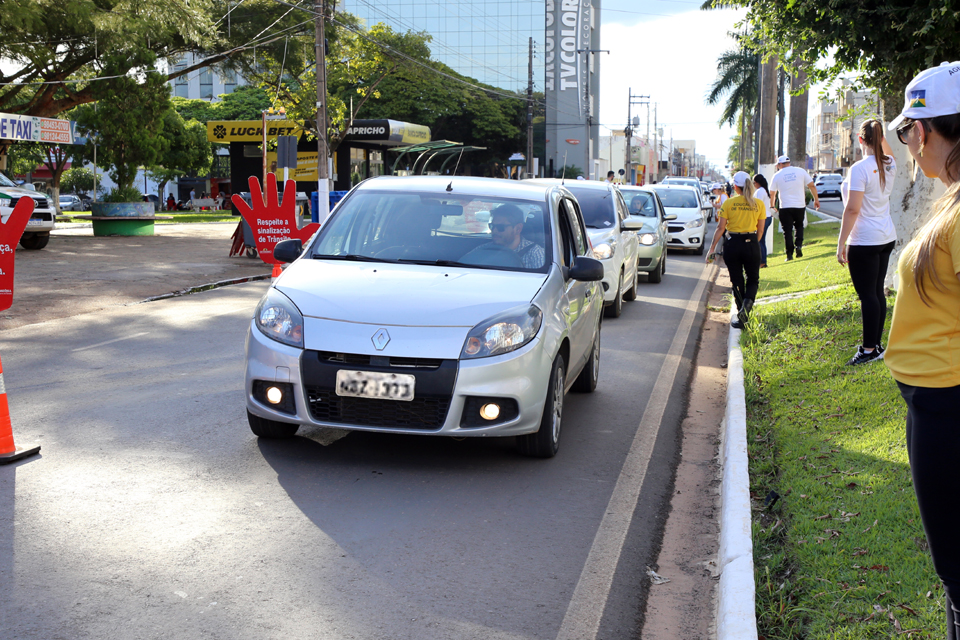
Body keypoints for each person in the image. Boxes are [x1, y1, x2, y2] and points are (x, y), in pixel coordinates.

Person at [884, 61, 960, 640]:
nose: (908, 144)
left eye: (909, 131)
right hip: (934, 406)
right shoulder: (950, 199)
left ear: (929, 131)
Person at [836, 119, 897, 366]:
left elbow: (852, 210)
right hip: (885, 237)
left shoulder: (860, 168)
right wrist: (880, 135)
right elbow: (887, 150)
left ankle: (869, 349)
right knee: (877, 291)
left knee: (868, 295)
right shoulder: (889, 163)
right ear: (880, 138)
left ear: (860, 140)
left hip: (864, 241)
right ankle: (877, 345)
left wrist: (840, 243)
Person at [705, 170, 766, 329]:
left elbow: (720, 228)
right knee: (753, 279)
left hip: (732, 243)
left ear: (735, 187)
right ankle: (746, 307)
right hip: (752, 242)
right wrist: (752, 243)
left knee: (737, 280)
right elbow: (760, 230)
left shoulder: (728, 203)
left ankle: (741, 314)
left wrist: (711, 248)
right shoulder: (758, 203)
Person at [770, 154, 819, 260]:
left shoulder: (777, 175)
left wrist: (772, 206)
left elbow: (772, 193)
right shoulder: (800, 171)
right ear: (789, 163)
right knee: (799, 226)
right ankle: (798, 246)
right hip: (799, 205)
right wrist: (816, 200)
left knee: (787, 231)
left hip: (785, 207)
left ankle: (789, 254)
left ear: (780, 164)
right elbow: (811, 185)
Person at [483, 204, 545, 269]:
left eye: (500, 227)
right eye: (492, 226)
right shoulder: (484, 250)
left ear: (518, 228)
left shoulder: (536, 254)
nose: (494, 231)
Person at [753, 174, 774, 268]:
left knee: (759, 241)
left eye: (754, 183)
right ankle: (763, 261)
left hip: (763, 218)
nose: (753, 185)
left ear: (757, 183)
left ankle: (762, 262)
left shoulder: (760, 192)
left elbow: (757, 206)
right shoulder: (765, 190)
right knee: (761, 241)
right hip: (768, 217)